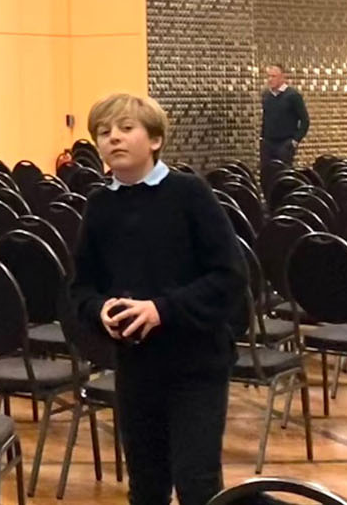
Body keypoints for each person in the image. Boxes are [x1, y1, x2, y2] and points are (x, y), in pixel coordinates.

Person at [69, 93, 245, 505]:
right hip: (136, 366)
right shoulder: (100, 205)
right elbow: (80, 287)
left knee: (196, 484)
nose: (113, 138)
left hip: (196, 364)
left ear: (155, 140)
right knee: (146, 487)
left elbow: (230, 276)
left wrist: (161, 310)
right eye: (103, 132)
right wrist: (99, 310)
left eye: (126, 128)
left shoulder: (189, 193)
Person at [260, 64, 310, 173]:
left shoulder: (293, 96)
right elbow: (265, 118)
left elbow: (305, 120)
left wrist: (295, 141)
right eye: (268, 76)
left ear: (282, 77)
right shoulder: (266, 96)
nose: (270, 79)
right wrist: (262, 138)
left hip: (285, 144)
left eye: (273, 76)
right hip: (268, 144)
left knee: (283, 174)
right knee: (267, 174)